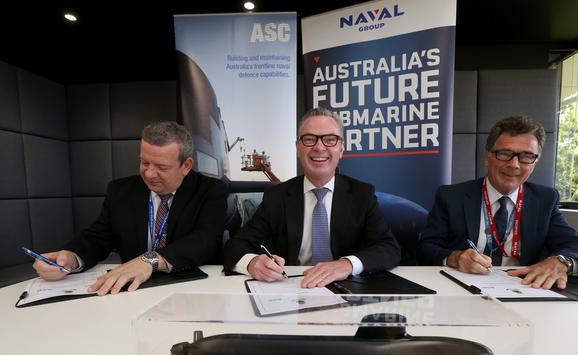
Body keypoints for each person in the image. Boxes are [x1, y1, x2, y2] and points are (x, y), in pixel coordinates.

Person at [32, 121, 228, 295]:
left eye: (161, 167)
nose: (149, 174)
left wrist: (149, 260)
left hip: (190, 291)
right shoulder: (120, 191)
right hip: (130, 293)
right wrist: (70, 258)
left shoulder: (210, 190)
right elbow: (98, 237)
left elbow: (206, 240)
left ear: (186, 165)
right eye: (144, 162)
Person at [223, 107, 400, 288]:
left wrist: (346, 264)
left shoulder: (362, 194)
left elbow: (388, 248)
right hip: (291, 289)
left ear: (341, 149)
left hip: (347, 289)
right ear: (298, 148)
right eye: (309, 139)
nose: (319, 147)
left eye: (330, 139)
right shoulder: (276, 197)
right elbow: (235, 246)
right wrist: (252, 264)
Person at [417, 116, 578, 289]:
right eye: (505, 154)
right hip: (461, 288)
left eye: (526, 156)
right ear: (487, 157)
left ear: (535, 163)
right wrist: (455, 258)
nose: (514, 164)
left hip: (523, 290)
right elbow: (425, 248)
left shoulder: (544, 200)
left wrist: (561, 262)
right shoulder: (451, 196)